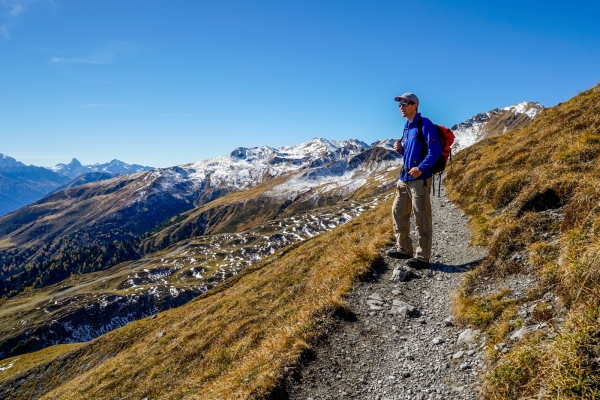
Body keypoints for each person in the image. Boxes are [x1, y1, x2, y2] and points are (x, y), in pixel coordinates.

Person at [387, 92, 442, 269]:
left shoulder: (424, 124)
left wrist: (421, 169)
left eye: (405, 103)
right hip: (404, 178)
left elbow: (435, 151)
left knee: (422, 217)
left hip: (419, 179)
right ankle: (404, 248)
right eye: (399, 104)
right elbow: (411, 152)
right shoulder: (407, 127)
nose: (401, 107)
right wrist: (401, 149)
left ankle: (422, 257)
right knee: (398, 212)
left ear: (414, 105)